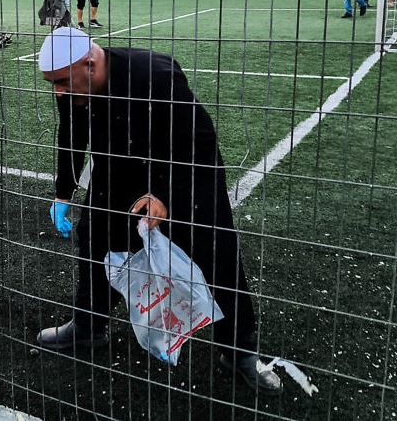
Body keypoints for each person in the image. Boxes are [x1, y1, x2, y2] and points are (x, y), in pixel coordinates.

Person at [35, 27, 282, 394]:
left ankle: (239, 350)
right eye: (52, 84)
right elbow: (71, 134)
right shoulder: (71, 85)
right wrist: (63, 193)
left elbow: (197, 141)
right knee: (94, 238)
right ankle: (88, 327)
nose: (57, 91)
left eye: (61, 82)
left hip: (185, 172)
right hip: (120, 169)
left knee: (215, 254)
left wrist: (163, 195)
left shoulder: (156, 75)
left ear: (89, 64)